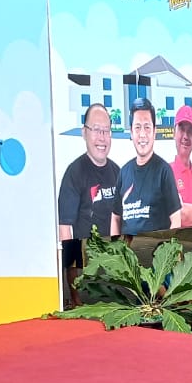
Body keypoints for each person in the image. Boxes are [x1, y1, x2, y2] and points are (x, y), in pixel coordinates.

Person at [56, 103, 122, 305]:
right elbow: (65, 229)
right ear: (84, 133)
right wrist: (74, 293)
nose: (102, 137)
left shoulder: (118, 172)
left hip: (110, 267)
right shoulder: (74, 173)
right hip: (83, 269)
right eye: (96, 130)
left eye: (106, 131)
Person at [118, 97, 180, 235]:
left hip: (155, 253)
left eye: (147, 127)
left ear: (154, 132)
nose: (142, 134)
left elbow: (176, 220)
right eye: (137, 127)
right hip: (126, 254)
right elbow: (115, 218)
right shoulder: (124, 172)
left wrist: (167, 253)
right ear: (131, 133)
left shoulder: (164, 171)